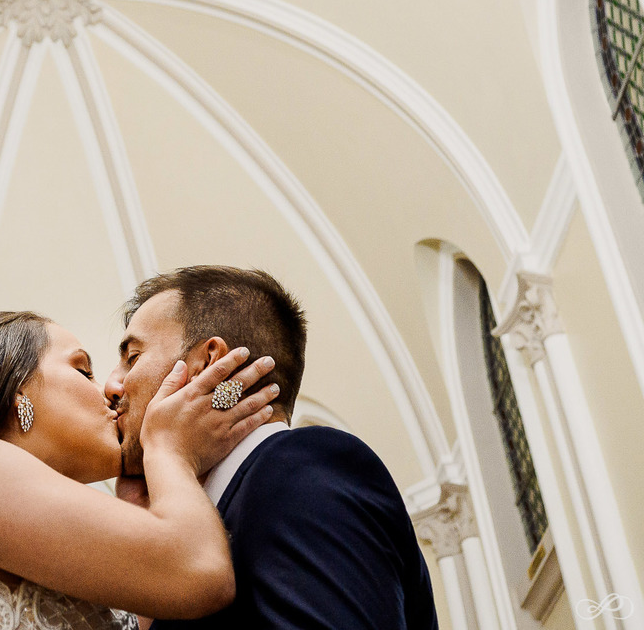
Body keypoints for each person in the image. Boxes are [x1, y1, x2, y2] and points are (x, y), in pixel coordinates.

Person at [0, 310, 279, 630]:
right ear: (11, 385)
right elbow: (201, 571)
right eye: (83, 370)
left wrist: (139, 506)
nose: (110, 390)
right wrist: (169, 451)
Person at [106, 265, 439, 630]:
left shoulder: (300, 469)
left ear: (208, 362)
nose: (111, 386)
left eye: (133, 357)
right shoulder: (233, 501)